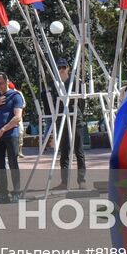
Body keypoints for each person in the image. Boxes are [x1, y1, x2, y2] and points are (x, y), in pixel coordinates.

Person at [46, 59, 86, 191]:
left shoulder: (75, 82)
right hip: (61, 119)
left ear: (68, 68)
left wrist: (79, 114)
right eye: (59, 67)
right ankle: (64, 182)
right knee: (64, 151)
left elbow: (81, 101)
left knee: (78, 151)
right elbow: (50, 101)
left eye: (64, 67)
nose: (62, 69)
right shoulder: (54, 84)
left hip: (76, 119)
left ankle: (82, 181)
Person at [0, 72, 24, 202]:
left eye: (1, 83)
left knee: (13, 163)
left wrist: (2, 130)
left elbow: (17, 117)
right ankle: (3, 193)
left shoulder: (15, 96)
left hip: (11, 135)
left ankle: (17, 191)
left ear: (7, 82)